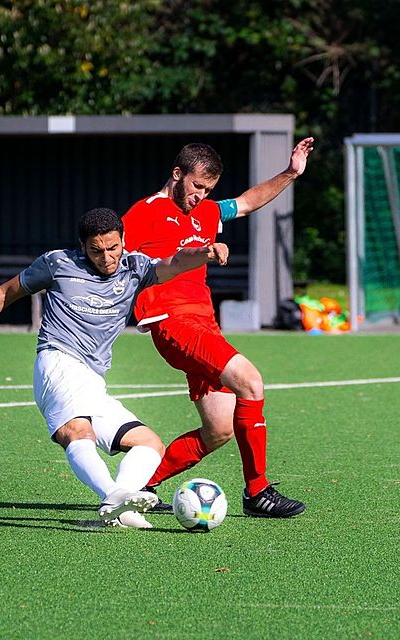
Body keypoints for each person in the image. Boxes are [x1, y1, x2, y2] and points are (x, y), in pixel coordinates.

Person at [0, 207, 230, 529]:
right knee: (77, 432)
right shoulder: (58, 263)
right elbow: (7, 292)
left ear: (123, 241)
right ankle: (114, 495)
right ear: (83, 246)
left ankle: (121, 507)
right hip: (58, 362)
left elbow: (175, 262)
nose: (107, 257)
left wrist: (205, 253)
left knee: (148, 444)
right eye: (97, 250)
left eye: (113, 248)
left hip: (92, 378)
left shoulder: (136, 267)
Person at [122, 137, 314, 518]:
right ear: (177, 174)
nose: (201, 196)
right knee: (251, 381)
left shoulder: (208, 212)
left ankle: (138, 489)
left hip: (205, 325)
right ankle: (257, 492)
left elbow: (247, 202)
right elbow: (115, 256)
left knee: (220, 429)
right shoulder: (144, 212)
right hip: (171, 321)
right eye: (196, 186)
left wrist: (291, 173)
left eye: (208, 190)